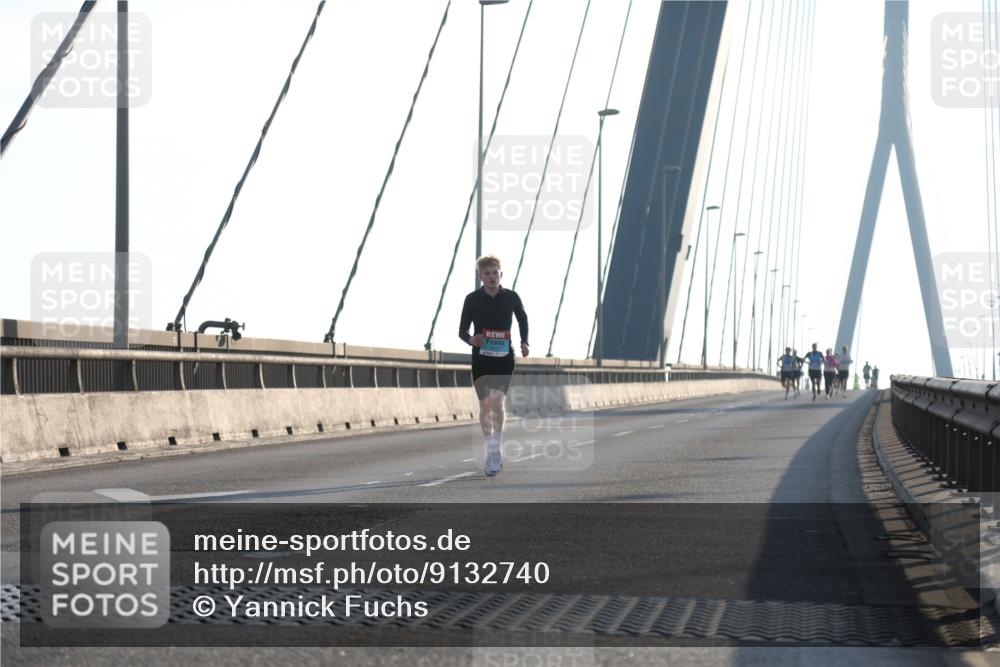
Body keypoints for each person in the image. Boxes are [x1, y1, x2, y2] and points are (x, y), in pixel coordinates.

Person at [459, 255, 529, 477]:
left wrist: (524, 341)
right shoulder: (472, 299)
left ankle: (495, 449)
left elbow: (522, 319)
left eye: (494, 272)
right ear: (480, 276)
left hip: (504, 358)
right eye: (487, 273)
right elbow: (462, 330)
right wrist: (471, 340)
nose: (491, 276)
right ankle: (490, 447)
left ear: (501, 273)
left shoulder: (511, 297)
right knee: (485, 405)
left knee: (498, 402)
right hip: (481, 358)